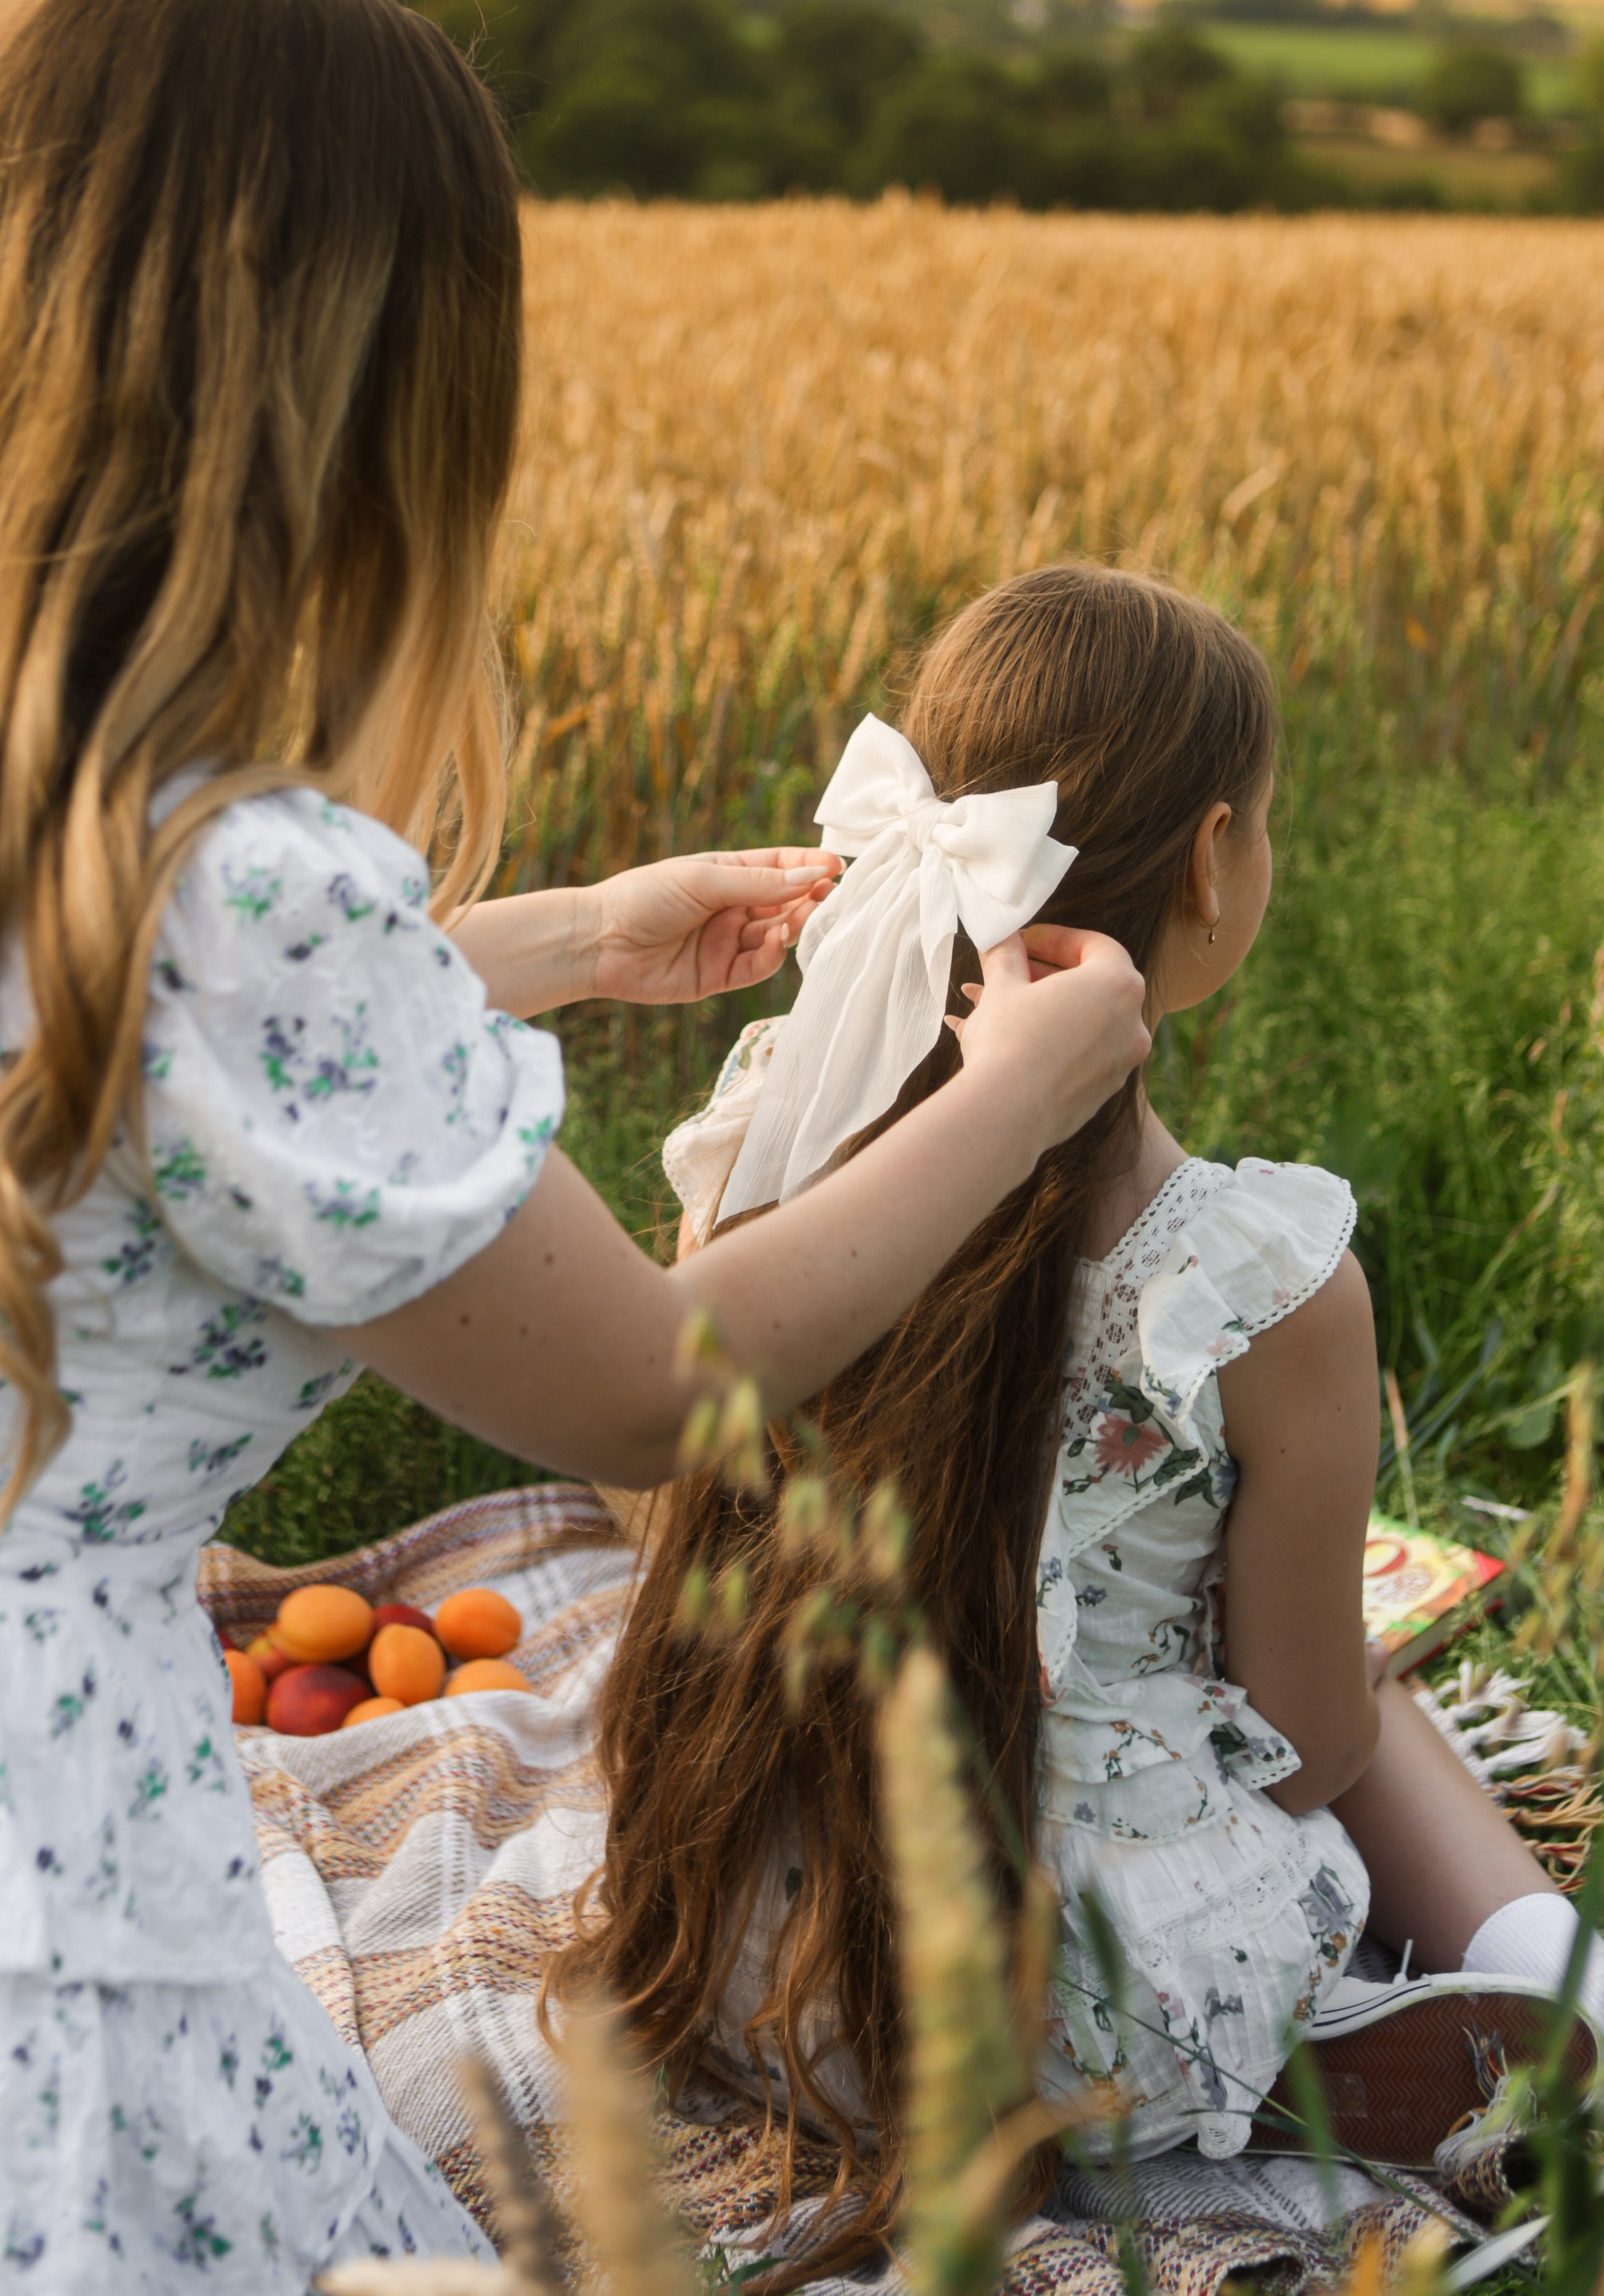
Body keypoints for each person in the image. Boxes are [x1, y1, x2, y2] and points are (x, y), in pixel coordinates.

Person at [0, 0, 1149, 2296]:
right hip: (44, 1865)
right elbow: (650, 1377)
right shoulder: (257, 889)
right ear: (372, 395)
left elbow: (54, 1048)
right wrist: (1016, 1095)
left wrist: (569, 936)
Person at [561, 563, 1597, 2283]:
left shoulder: (765, 1145)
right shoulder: (1256, 1279)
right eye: (1260, 825)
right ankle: (1533, 1984)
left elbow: (671, 1497)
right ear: (1208, 863)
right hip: (1077, 1998)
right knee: (1364, 1668)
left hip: (757, 1945)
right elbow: (1301, 1738)